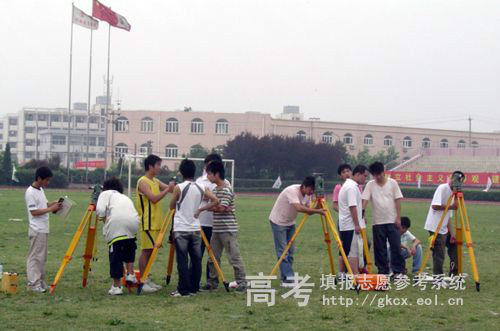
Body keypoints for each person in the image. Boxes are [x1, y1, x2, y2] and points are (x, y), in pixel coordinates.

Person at [169, 159, 219, 297]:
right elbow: (216, 200)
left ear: (181, 172)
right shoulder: (201, 187)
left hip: (181, 228)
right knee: (196, 259)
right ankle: (194, 288)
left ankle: (183, 289)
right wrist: (201, 209)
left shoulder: (178, 187)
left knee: (182, 260)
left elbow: (171, 206)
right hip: (196, 227)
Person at [199, 161, 247, 292]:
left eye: (209, 174)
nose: (207, 177)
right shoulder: (215, 189)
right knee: (213, 257)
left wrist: (208, 208)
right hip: (217, 229)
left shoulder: (226, 189)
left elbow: (220, 207)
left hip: (228, 229)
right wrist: (214, 206)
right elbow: (216, 206)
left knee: (234, 256)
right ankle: (212, 282)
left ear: (216, 174)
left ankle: (242, 282)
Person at [268, 176, 326, 286]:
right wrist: (318, 211)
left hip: (290, 223)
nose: (311, 192)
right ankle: (289, 278)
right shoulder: (292, 191)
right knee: (283, 252)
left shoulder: (307, 195)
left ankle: (286, 278)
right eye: (310, 189)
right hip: (278, 222)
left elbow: (309, 211)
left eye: (313, 190)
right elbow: (299, 208)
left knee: (291, 251)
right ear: (304, 186)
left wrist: (319, 202)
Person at [136, 154, 175, 293]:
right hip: (148, 222)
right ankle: (142, 280)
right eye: (158, 165)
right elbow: (153, 198)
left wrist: (177, 186)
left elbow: (171, 189)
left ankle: (147, 278)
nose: (159, 167)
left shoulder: (155, 181)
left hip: (157, 222)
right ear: (150, 166)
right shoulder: (143, 181)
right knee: (146, 251)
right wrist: (167, 189)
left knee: (152, 251)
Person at [96, 177, 140, 295]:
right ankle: (130, 274)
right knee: (129, 248)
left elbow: (100, 210)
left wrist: (102, 219)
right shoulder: (124, 197)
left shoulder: (105, 193)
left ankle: (117, 286)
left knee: (116, 255)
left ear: (105, 187)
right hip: (133, 222)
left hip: (117, 224)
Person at [362, 161, 405, 277]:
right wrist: (363, 213)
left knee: (396, 246)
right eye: (375, 175)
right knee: (379, 248)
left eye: (379, 174)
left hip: (392, 220)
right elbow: (365, 200)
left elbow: (398, 200)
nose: (378, 177)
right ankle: (383, 271)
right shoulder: (370, 185)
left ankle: (398, 271)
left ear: (383, 172)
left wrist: (398, 217)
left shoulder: (393, 183)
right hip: (378, 222)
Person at [195, 153, 231, 285]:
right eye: (207, 165)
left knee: (214, 255)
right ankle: (194, 281)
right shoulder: (200, 181)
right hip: (201, 222)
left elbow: (225, 201)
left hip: (216, 223)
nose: (207, 168)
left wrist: (210, 197)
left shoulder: (225, 183)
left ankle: (212, 281)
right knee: (197, 253)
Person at [25, 166, 63, 293]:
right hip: (36, 229)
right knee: (35, 257)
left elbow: (44, 205)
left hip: (44, 228)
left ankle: (40, 281)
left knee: (42, 257)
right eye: (46, 180)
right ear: (39, 178)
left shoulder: (40, 190)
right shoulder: (30, 192)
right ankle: (33, 283)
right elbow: (34, 211)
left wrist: (55, 203)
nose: (48, 183)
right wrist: (50, 209)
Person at [423, 172, 460, 276]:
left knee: (454, 246)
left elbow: (449, 215)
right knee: (439, 253)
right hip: (435, 226)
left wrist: (452, 233)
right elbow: (435, 206)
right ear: (451, 178)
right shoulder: (442, 188)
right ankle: (438, 277)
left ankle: (454, 273)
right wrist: (451, 207)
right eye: (455, 180)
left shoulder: (453, 193)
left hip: (444, 227)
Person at [338, 165, 369, 275]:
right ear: (358, 174)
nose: (365, 178)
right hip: (350, 225)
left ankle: (350, 275)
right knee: (353, 253)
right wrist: (356, 224)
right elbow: (352, 207)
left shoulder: (351, 186)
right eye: (365, 176)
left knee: (350, 251)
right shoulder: (351, 187)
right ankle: (355, 277)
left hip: (347, 225)